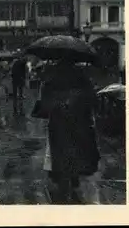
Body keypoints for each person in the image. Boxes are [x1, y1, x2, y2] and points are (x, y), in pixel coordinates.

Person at [40, 59, 100, 203]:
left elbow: (44, 105)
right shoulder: (82, 78)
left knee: (61, 151)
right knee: (76, 149)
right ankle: (74, 178)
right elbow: (92, 100)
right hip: (79, 122)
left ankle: (62, 178)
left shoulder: (51, 79)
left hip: (58, 122)